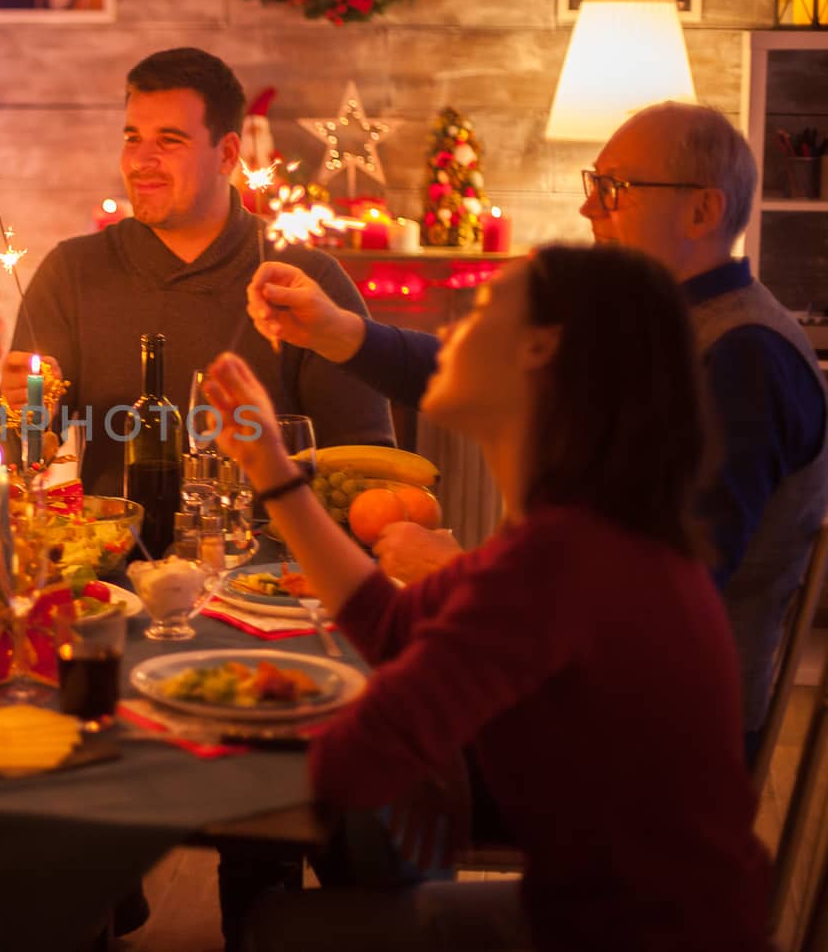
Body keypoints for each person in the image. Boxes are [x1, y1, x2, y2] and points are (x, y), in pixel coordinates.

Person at [206, 245, 771, 952]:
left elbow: (354, 762)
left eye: (476, 313)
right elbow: (387, 621)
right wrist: (270, 468)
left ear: (539, 348)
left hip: (632, 936)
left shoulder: (561, 557)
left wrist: (190, 722)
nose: (446, 343)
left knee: (280, 929)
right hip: (634, 917)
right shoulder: (578, 528)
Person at [248, 101, 828, 759]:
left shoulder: (744, 358)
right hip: (577, 683)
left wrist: (460, 570)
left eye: (615, 190)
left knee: (325, 734)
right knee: (321, 700)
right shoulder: (652, 321)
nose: (590, 211)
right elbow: (479, 371)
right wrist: (336, 330)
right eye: (594, 186)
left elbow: (659, 598)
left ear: (702, 211)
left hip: (646, 739)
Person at [0, 47, 394, 496]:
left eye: (169, 140)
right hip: (112, 559)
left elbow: (368, 465)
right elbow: (15, 454)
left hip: (267, 559)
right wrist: (21, 415)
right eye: (132, 138)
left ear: (226, 155)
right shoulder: (72, 271)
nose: (139, 161)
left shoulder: (305, 279)